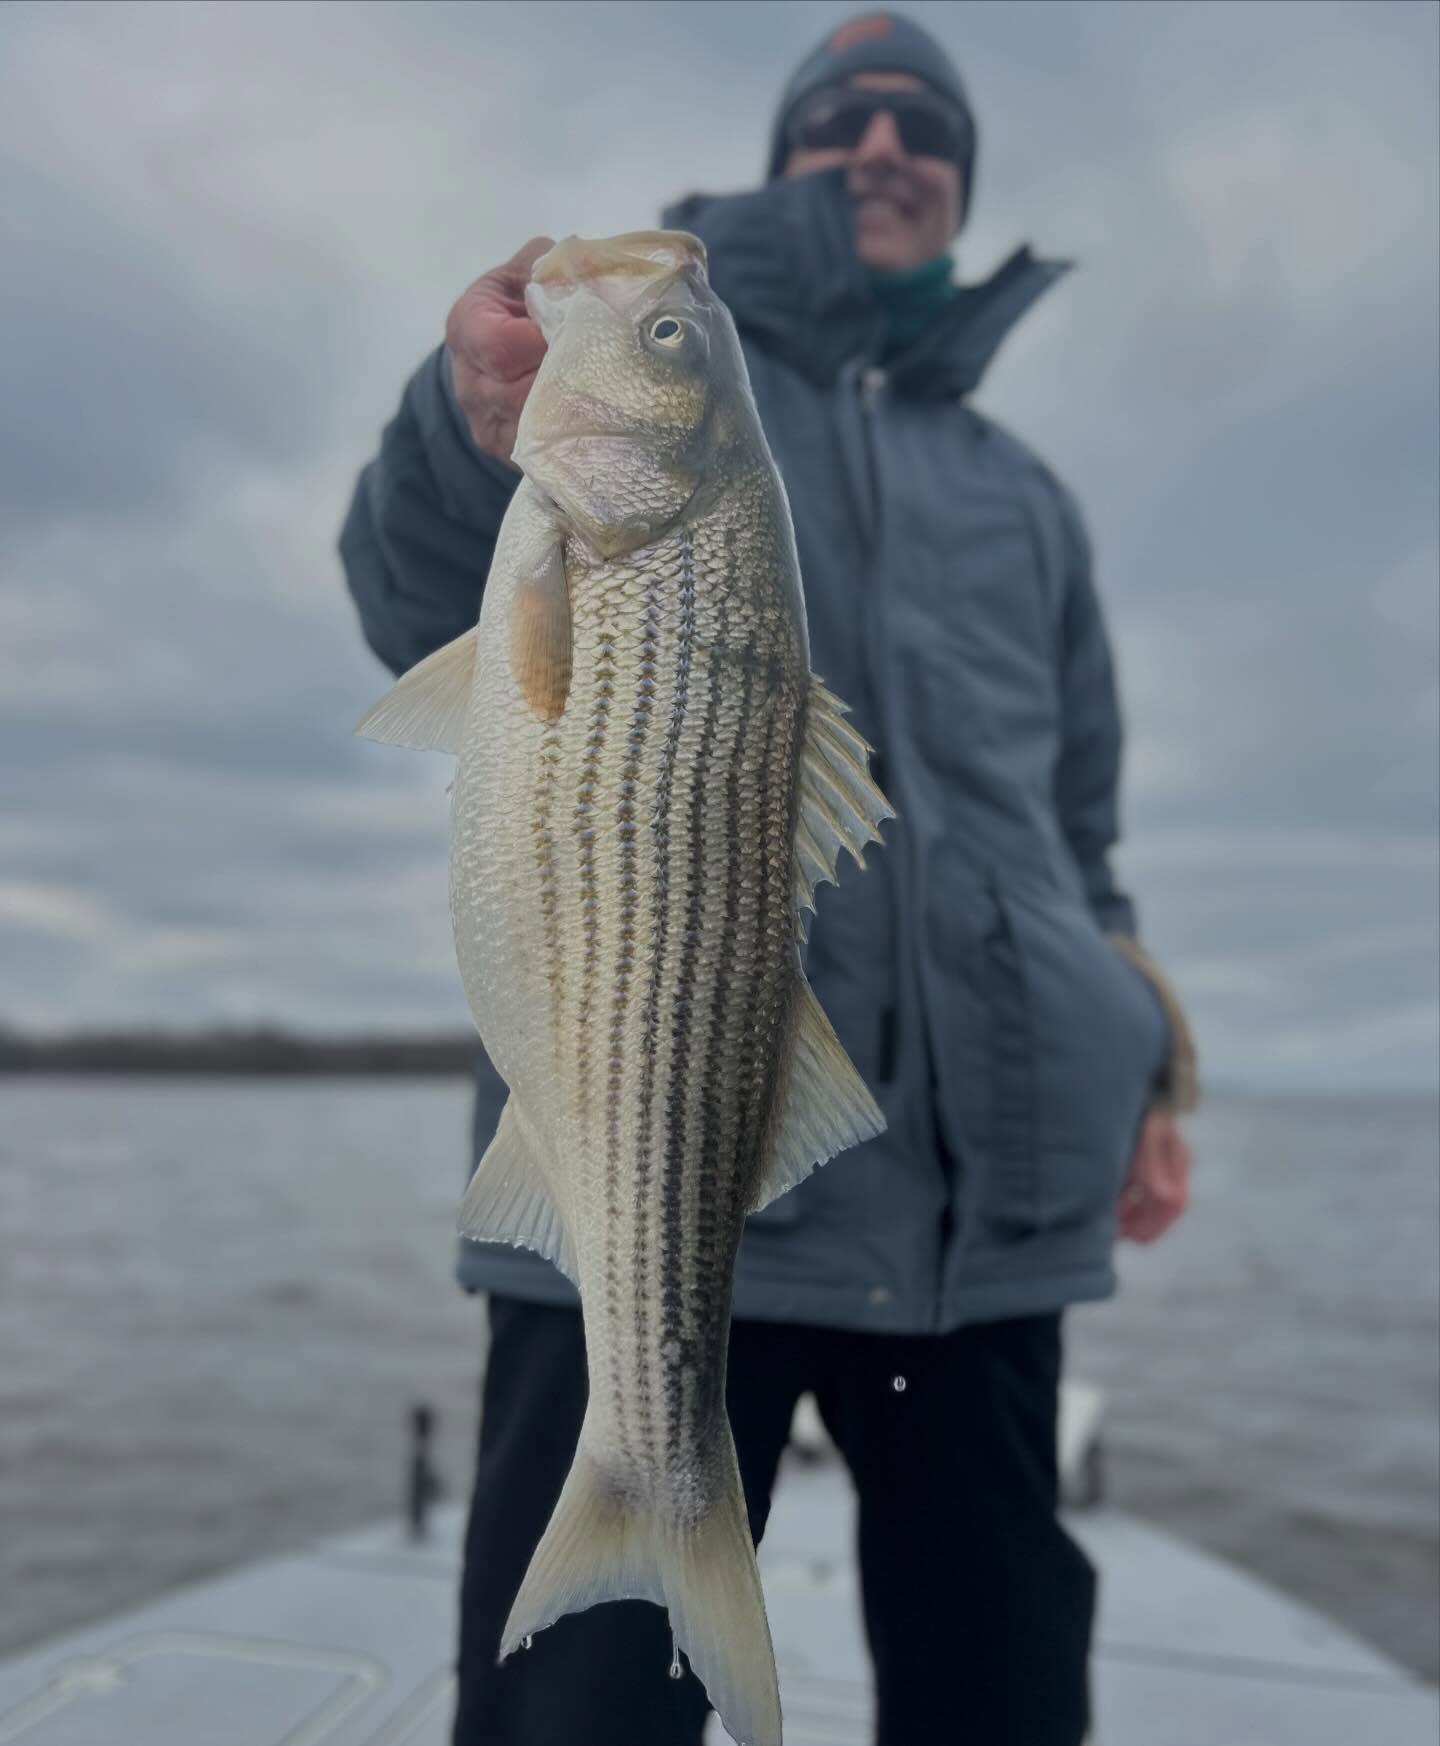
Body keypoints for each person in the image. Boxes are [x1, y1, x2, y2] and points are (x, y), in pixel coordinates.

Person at [340, 11, 1198, 1744]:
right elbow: (408, 581)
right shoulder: (656, 412)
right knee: (576, 1715)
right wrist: (468, 418)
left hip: (989, 1207)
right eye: (845, 116)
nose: (885, 144)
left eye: (921, 124)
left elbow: (1081, 820)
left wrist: (1152, 1065)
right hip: (648, 1157)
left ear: (959, 178)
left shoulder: (1025, 495)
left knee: (1007, 1698)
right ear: (792, 147)